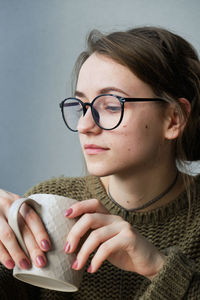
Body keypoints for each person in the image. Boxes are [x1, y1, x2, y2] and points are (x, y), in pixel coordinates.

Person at [0, 25, 200, 300]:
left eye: (111, 106)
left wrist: (160, 268)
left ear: (173, 119)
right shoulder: (46, 203)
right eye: (81, 105)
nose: (84, 125)